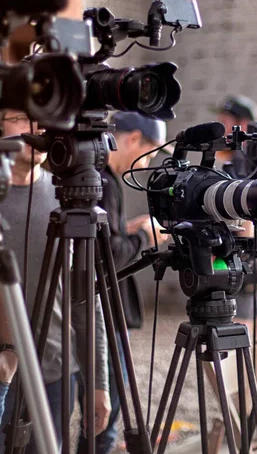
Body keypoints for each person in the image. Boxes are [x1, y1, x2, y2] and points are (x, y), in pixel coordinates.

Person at [0, 110, 111, 452]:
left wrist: (98, 381)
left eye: (44, 120)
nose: (37, 129)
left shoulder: (68, 200)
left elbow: (85, 297)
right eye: (21, 118)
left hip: (53, 370)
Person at [75, 111, 170, 454]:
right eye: (152, 150)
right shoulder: (99, 180)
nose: (151, 161)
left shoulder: (104, 178)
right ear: (132, 139)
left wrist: (127, 229)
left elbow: (102, 240)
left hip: (105, 313)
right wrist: (145, 236)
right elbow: (106, 258)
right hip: (103, 315)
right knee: (102, 422)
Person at [212, 95, 257, 343]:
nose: (219, 127)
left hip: (245, 257)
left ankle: (244, 383)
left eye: (224, 121)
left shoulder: (242, 161)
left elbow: (247, 212)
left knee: (242, 336)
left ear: (241, 125)